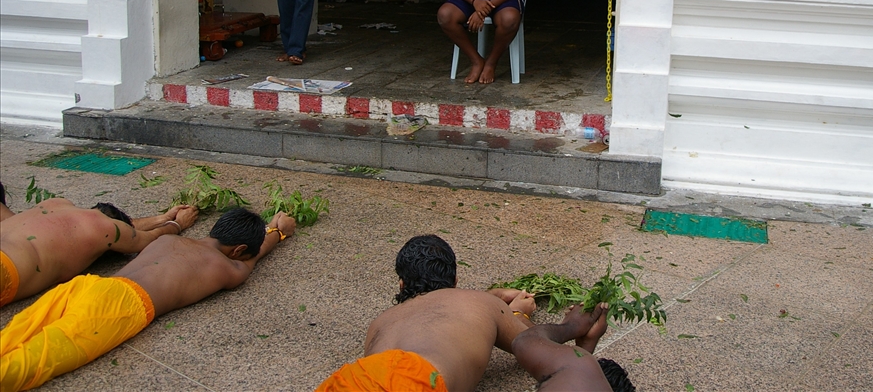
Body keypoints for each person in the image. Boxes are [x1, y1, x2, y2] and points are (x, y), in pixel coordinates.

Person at [0, 208, 296, 391]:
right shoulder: (227, 267)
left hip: (88, 286)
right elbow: (252, 259)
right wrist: (277, 232)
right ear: (238, 250)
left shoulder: (168, 240)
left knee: (13, 335)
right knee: (32, 362)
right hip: (121, 306)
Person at [315, 234, 536, 391]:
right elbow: (535, 346)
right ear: (455, 282)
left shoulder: (380, 323)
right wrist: (517, 314)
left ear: (402, 285)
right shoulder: (481, 303)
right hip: (412, 380)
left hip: (352, 380)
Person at [0, 198, 199, 308]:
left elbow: (123, 229)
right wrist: (177, 223)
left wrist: (160, 217)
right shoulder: (102, 229)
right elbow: (145, 239)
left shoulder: (56, 204)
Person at [512, 302, 637, 392]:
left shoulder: (582, 371)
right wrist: (583, 351)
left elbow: (524, 341)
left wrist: (571, 326)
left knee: (493, 306)